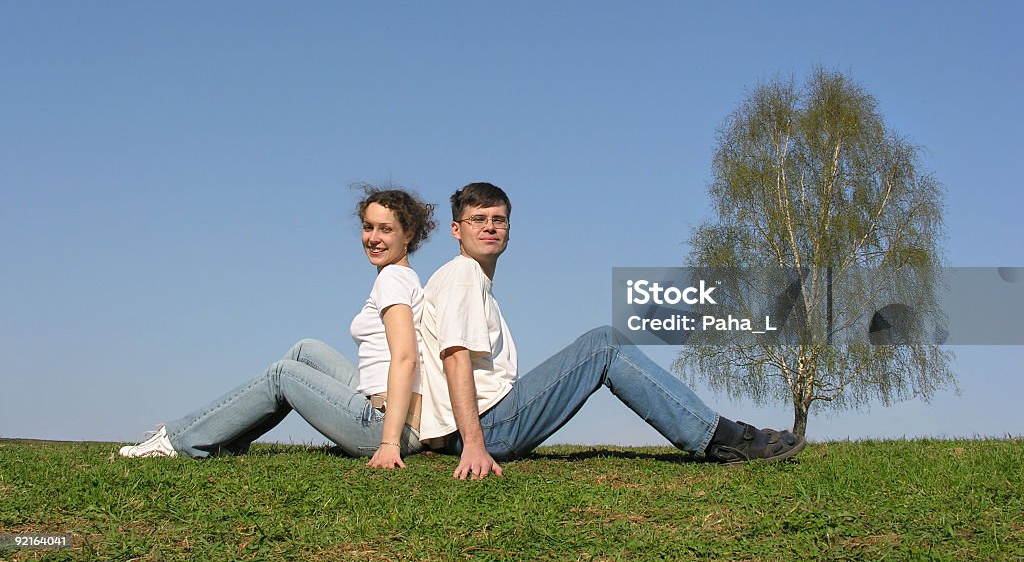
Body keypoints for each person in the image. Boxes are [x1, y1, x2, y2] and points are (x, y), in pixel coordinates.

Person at [418, 182, 806, 480]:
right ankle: (724, 439)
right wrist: (472, 444)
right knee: (604, 344)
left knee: (603, 342)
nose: (489, 227)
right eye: (478, 220)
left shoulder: (467, 280)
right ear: (456, 229)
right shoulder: (462, 276)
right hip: (490, 427)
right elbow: (454, 358)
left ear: (508, 228)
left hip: (486, 424)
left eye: (498, 219)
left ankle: (719, 435)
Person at [119, 186, 436, 469]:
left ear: (408, 235)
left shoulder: (392, 281)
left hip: (381, 424)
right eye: (368, 227)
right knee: (306, 350)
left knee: (282, 374)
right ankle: (230, 440)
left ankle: (177, 441)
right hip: (394, 413)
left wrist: (389, 443)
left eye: (386, 230)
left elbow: (405, 357)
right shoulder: (403, 276)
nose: (373, 238)